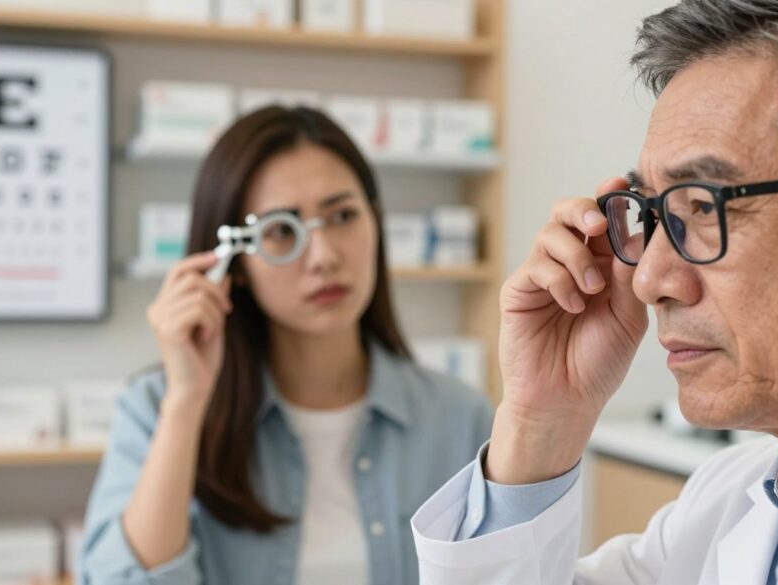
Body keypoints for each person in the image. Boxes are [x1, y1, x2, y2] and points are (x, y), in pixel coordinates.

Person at [411, 1, 778, 584]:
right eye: (653, 213)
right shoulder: (722, 504)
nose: (648, 279)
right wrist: (542, 421)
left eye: (704, 207)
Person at [80, 106, 493, 585]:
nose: (323, 257)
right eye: (281, 231)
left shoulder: (460, 420)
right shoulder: (154, 410)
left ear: (375, 225)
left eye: (342, 215)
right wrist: (186, 402)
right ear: (234, 262)